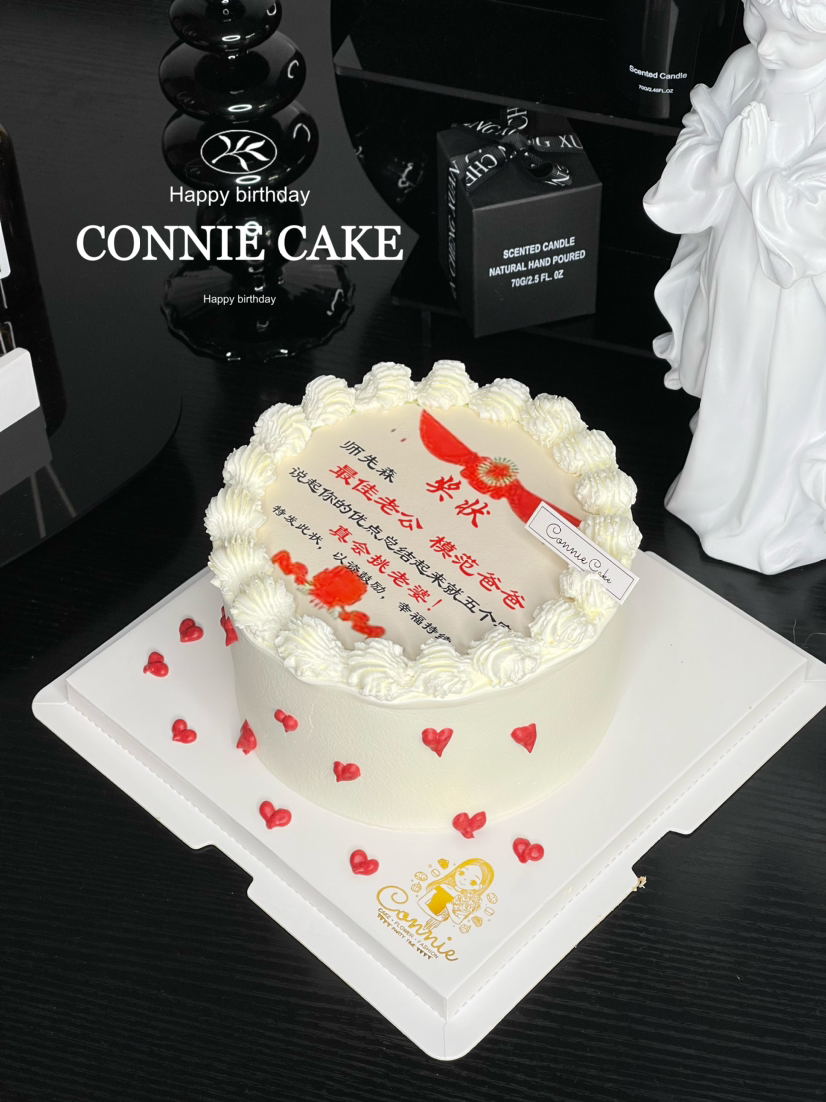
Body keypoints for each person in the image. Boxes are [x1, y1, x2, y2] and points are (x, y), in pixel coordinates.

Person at [644, 0, 826, 573]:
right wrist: (721, 165)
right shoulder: (747, 68)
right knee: (732, 377)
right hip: (732, 260)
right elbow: (696, 139)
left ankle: (769, 517)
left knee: (781, 397)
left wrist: (759, 179)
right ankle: (712, 492)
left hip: (794, 293)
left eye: (793, 37)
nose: (767, 45)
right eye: (757, 18)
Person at [417, 859, 494, 932]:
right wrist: (436, 917)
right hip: (420, 916)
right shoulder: (443, 886)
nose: (464, 880)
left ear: (479, 887)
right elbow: (421, 902)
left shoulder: (464, 900)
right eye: (462, 873)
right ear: (457, 870)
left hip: (435, 927)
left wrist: (450, 910)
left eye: (473, 882)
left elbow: (458, 921)